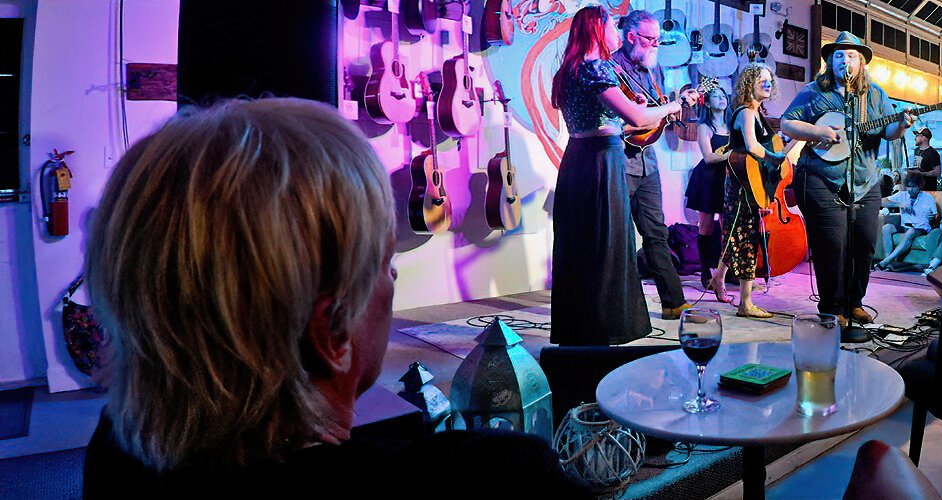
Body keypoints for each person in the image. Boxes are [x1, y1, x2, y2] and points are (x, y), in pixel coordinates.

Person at [78, 99, 590, 497]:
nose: (392, 279)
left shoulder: (113, 450)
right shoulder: (500, 481)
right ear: (333, 332)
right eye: (385, 266)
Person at [549, 6, 697, 345]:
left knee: (583, 246)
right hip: (603, 160)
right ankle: (610, 326)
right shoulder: (597, 66)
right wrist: (673, 107)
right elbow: (637, 118)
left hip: (577, 159)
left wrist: (642, 112)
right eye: (613, 26)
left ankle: (580, 327)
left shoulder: (570, 69)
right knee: (611, 243)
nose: (617, 32)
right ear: (598, 30)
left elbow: (615, 120)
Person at [780, 31, 915, 325]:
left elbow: (888, 131)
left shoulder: (876, 94)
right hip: (821, 179)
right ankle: (832, 306)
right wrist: (817, 132)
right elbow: (787, 122)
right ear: (830, 61)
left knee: (865, 243)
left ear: (862, 63)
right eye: (839, 55)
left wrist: (902, 126)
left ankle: (854, 302)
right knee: (832, 246)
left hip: (865, 181)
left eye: (851, 54)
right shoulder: (814, 91)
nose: (845, 60)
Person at [613, 10, 689, 320]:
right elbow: (618, 122)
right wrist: (659, 112)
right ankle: (618, 308)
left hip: (647, 161)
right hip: (619, 159)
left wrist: (669, 112)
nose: (655, 44)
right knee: (618, 236)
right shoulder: (612, 68)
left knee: (657, 232)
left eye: (658, 39)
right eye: (649, 38)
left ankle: (673, 302)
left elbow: (652, 115)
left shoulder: (651, 71)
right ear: (631, 36)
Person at [720, 64, 779, 318]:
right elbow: (753, 147)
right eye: (761, 80)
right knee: (745, 239)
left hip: (751, 182)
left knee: (735, 235)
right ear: (749, 84)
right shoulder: (745, 113)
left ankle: (717, 279)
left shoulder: (759, 114)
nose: (767, 84)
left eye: (769, 80)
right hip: (742, 184)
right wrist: (775, 157)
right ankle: (746, 304)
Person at [687, 85, 733, 302]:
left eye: (723, 95)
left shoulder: (733, 125)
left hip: (728, 179)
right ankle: (706, 270)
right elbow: (709, 157)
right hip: (708, 179)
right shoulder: (705, 127)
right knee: (705, 226)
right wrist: (734, 152)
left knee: (728, 226)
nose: (721, 98)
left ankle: (724, 271)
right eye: (716, 95)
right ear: (707, 102)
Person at [878, 173, 937, 268]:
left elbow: (934, 216)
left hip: (921, 227)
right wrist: (899, 204)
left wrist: (933, 217)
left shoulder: (928, 198)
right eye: (908, 187)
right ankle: (889, 263)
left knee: (910, 232)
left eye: (913, 187)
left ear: (919, 186)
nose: (910, 189)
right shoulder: (902, 195)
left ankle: (886, 261)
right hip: (905, 226)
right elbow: (881, 201)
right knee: (886, 228)